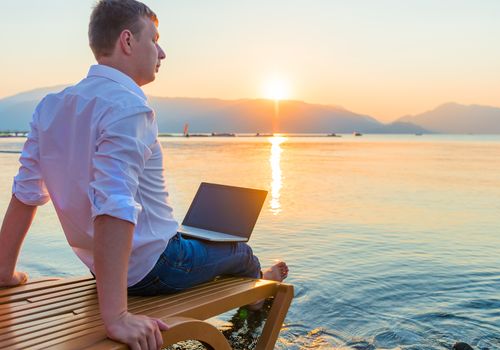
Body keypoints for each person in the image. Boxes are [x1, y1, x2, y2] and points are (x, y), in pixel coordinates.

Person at [0, 1, 288, 349]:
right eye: (154, 39)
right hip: (156, 268)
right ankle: (258, 292)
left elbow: (25, 194)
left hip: (101, 267)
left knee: (196, 238)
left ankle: (242, 276)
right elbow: (113, 206)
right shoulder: (129, 106)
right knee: (241, 252)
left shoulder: (50, 106)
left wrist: (5, 272)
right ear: (127, 41)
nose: (162, 51)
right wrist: (116, 317)